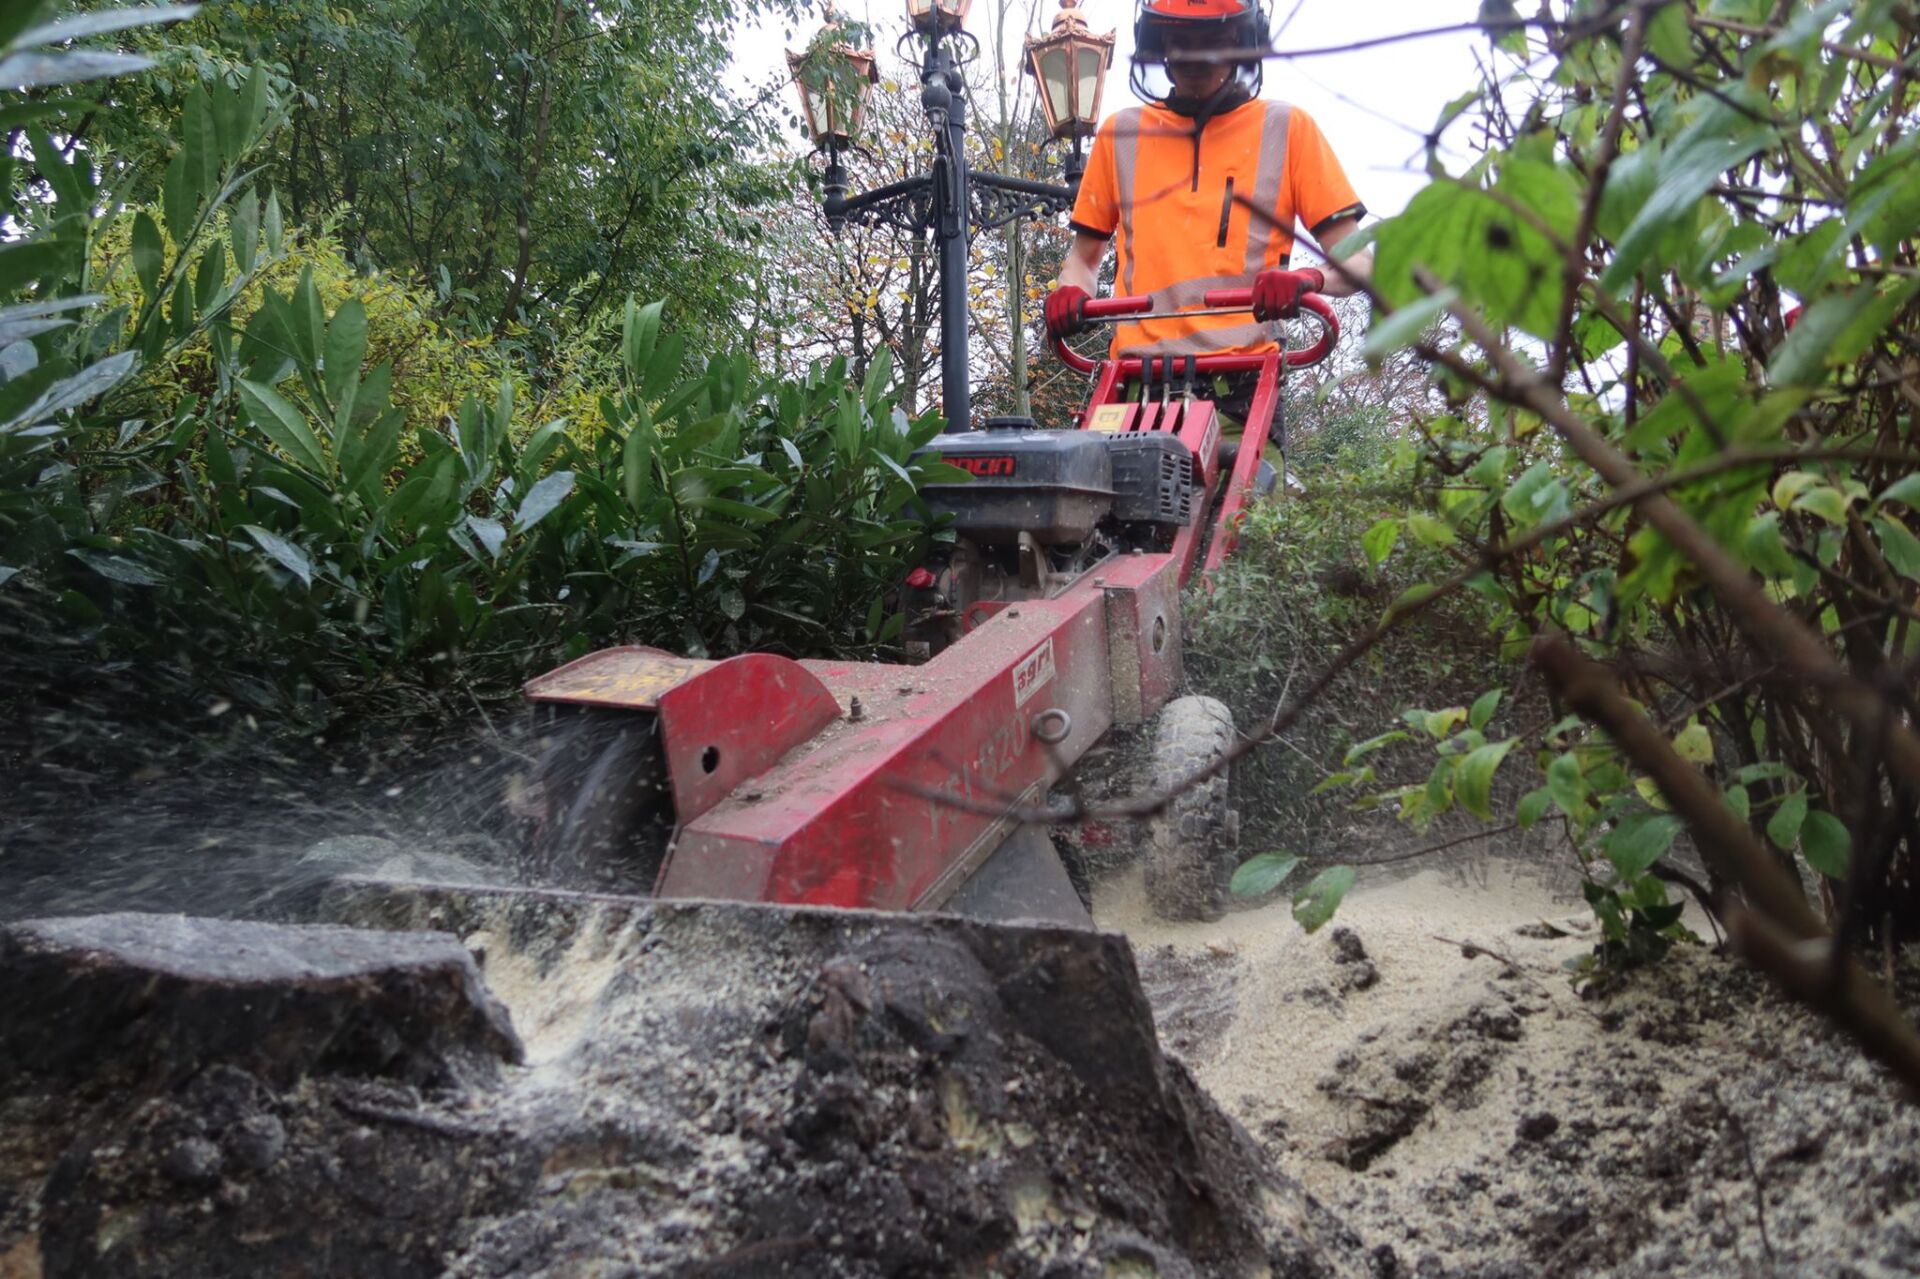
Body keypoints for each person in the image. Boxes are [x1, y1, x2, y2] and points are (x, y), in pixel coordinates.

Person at [1044, 0, 1372, 444]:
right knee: (1090, 501)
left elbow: (1359, 263)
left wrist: (1306, 279)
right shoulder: (1121, 135)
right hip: (1133, 383)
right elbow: (1082, 259)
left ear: (1240, 43)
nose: (1195, 58)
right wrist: (1071, 293)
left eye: (1211, 41)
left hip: (1241, 384)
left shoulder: (1287, 129)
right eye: (1182, 42)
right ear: (1160, 45)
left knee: (1242, 505)